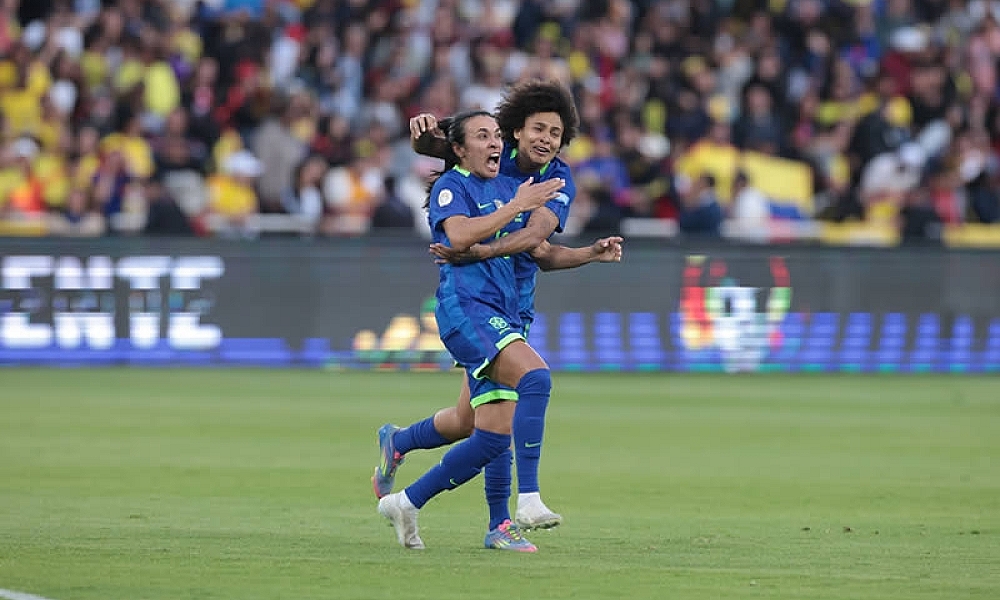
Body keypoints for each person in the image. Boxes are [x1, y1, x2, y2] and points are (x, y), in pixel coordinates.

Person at [373, 80, 588, 531]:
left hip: (514, 303)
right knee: (513, 404)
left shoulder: (557, 177)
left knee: (466, 423)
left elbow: (536, 241)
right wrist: (420, 138)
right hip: (477, 303)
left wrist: (477, 250)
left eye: (556, 132)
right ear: (517, 131)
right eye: (538, 129)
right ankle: (505, 519)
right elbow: (442, 147)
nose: (546, 139)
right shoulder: (494, 155)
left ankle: (399, 443)